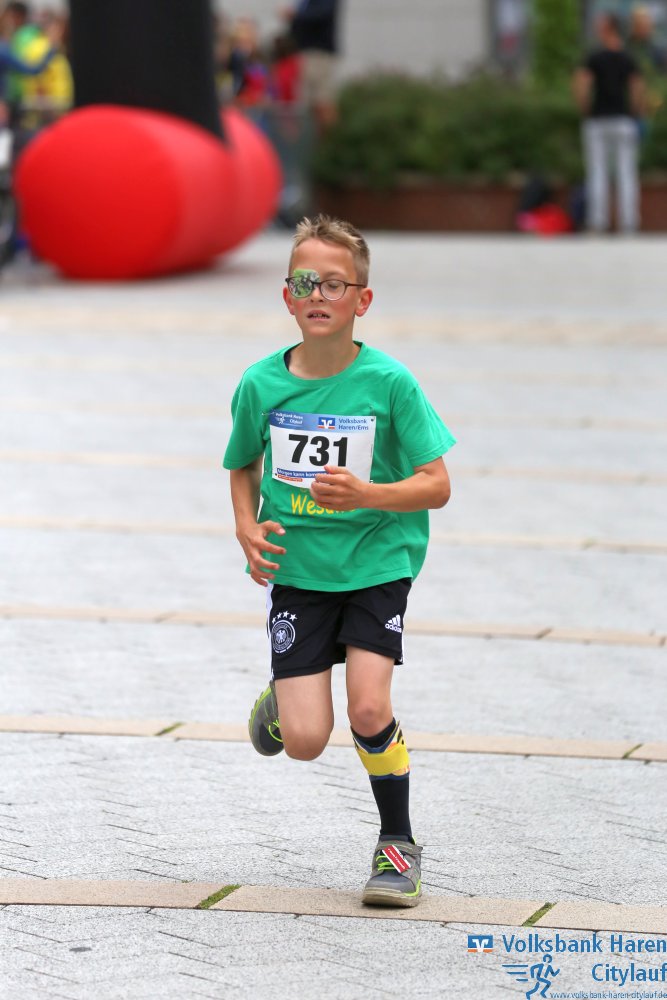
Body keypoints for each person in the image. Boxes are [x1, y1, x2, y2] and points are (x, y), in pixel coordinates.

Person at [223, 215, 455, 908]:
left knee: (368, 705)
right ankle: (282, 702)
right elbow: (242, 464)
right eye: (304, 283)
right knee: (302, 741)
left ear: (362, 299)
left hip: (376, 561)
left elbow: (436, 485)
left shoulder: (390, 383)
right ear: (286, 297)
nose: (317, 295)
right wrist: (245, 527)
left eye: (333, 283)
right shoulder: (260, 384)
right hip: (299, 570)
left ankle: (397, 846)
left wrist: (369, 494)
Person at [573, 12, 646, 234]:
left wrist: (585, 108)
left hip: (598, 120)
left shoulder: (594, 57)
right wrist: (634, 111)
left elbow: (581, 83)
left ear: (607, 27)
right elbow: (637, 87)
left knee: (597, 172)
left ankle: (598, 221)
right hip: (623, 120)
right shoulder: (628, 57)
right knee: (627, 172)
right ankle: (629, 222)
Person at [281, 0, 340, 129]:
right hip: (303, 53)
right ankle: (310, 139)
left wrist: (295, 15)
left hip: (319, 54)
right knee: (305, 104)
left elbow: (321, 14)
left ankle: (332, 139)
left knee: (323, 102)